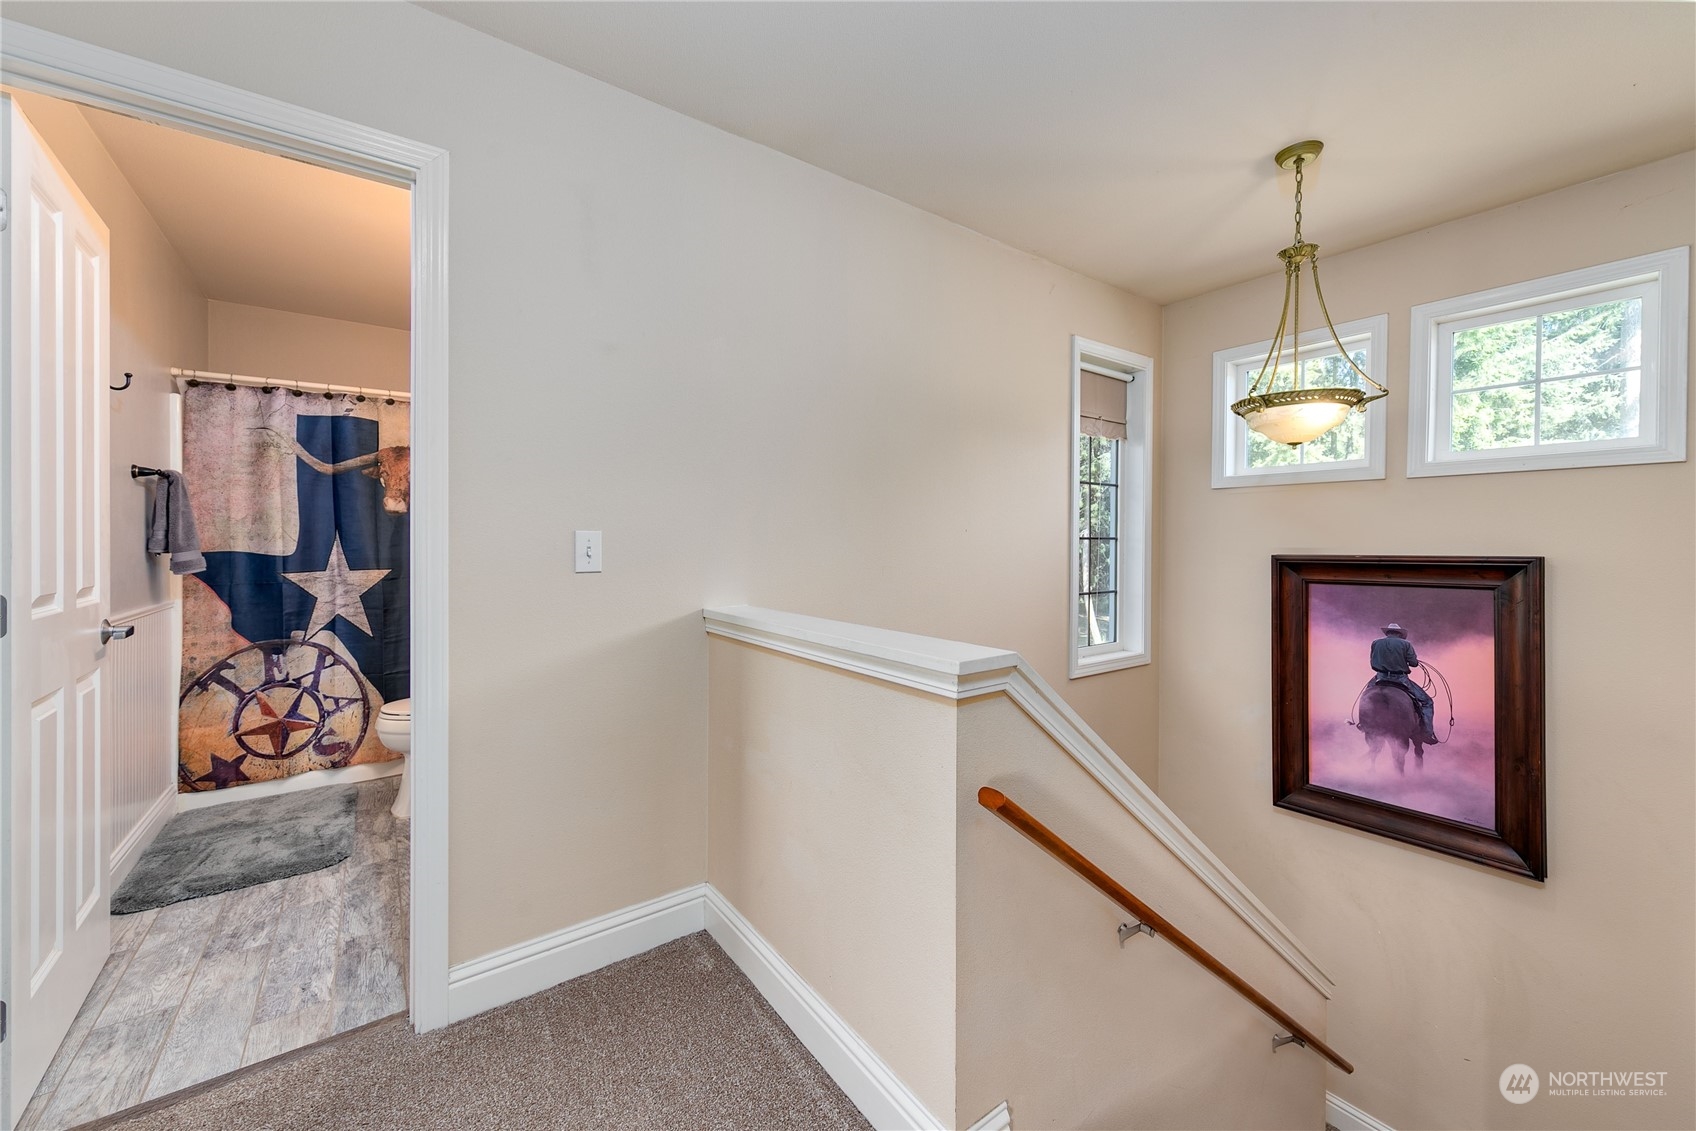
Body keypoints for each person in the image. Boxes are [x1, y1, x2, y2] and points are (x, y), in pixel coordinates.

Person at [1370, 623, 1439, 744]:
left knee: (1366, 698)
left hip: (1380, 677)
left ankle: (1363, 723)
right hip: (1400, 679)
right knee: (1427, 702)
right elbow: (1413, 663)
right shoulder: (1406, 644)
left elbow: (1372, 662)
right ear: (1400, 634)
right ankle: (1427, 733)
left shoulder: (1375, 643)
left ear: (1387, 633)